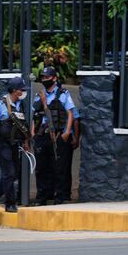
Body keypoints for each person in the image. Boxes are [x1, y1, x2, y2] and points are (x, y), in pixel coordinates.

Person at [0, 77, 30, 216]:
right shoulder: (0, 104)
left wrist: (26, 142)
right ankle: (10, 204)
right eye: (21, 90)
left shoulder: (20, 105)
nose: (23, 92)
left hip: (14, 144)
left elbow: (22, 126)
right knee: (9, 173)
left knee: (13, 174)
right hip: (2, 144)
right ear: (14, 91)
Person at [32, 67, 74, 206]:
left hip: (57, 135)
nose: (44, 80)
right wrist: (33, 132)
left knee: (59, 167)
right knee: (41, 168)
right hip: (42, 135)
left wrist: (67, 132)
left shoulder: (63, 93)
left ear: (54, 78)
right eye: (43, 78)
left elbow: (70, 113)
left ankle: (59, 197)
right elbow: (35, 116)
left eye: (47, 77)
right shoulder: (39, 95)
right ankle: (41, 198)